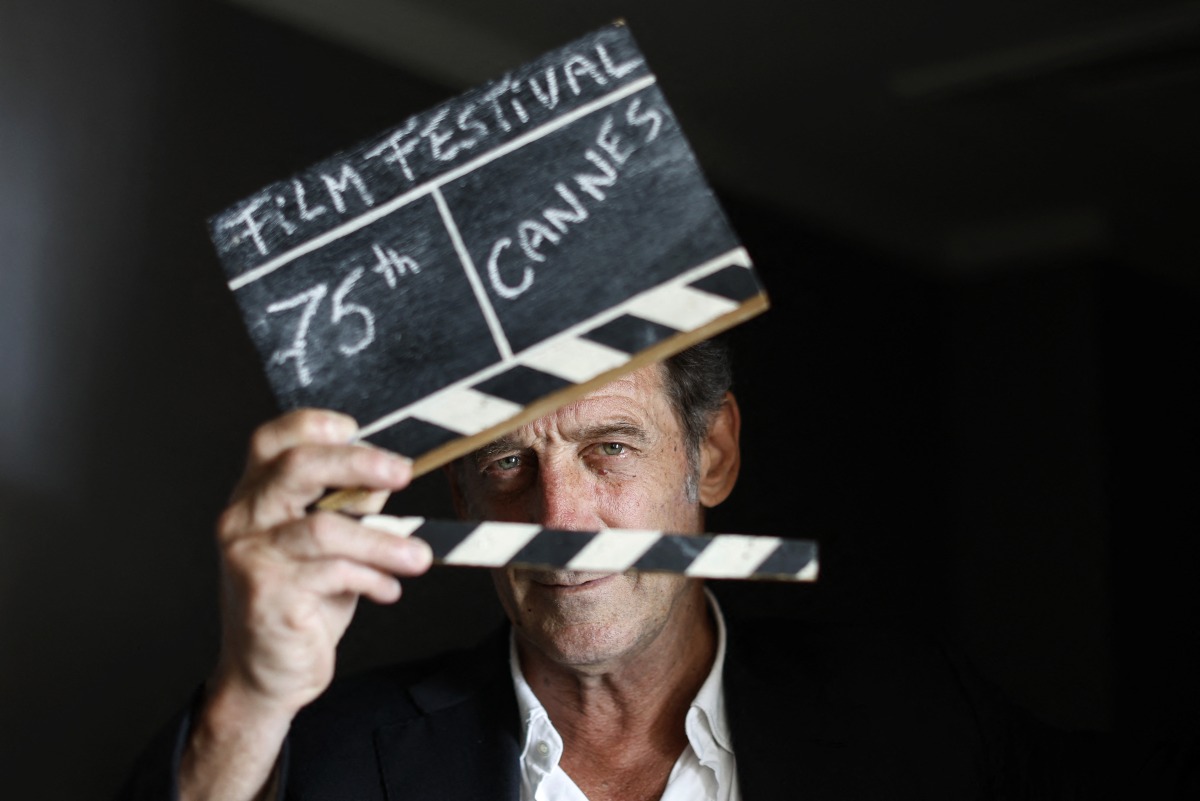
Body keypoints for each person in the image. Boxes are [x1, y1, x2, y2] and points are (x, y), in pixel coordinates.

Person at [117, 339, 1196, 800]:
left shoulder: (911, 712)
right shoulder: (329, 758)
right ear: (456, 495)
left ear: (711, 454)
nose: (557, 518)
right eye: (506, 462)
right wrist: (249, 700)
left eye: (609, 449)